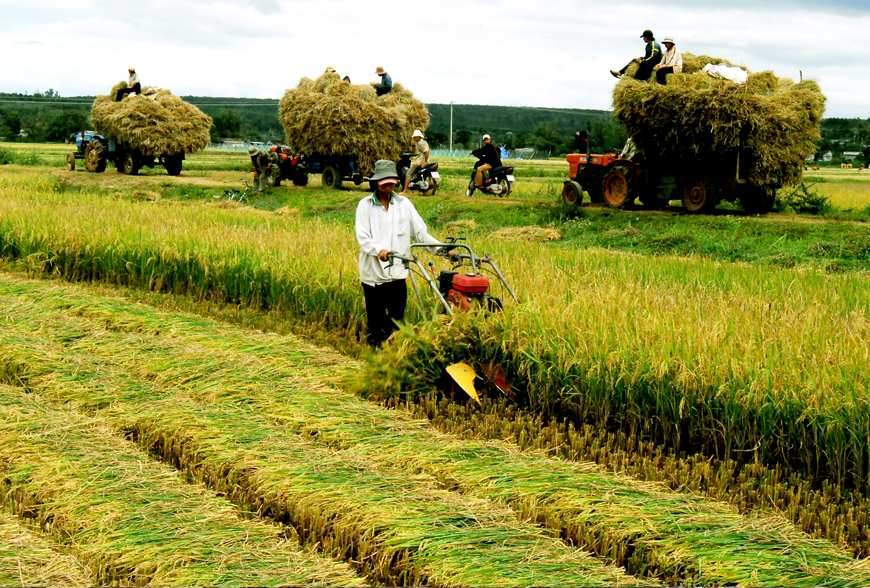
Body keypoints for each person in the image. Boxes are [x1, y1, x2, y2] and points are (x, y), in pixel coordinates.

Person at [355, 159, 440, 347]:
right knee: (376, 322)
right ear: (376, 182)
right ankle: (375, 352)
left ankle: (394, 354)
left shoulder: (404, 204)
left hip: (398, 274)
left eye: (391, 181)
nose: (388, 184)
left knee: (397, 321)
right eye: (384, 181)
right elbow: (363, 238)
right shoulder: (365, 205)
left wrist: (441, 250)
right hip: (374, 276)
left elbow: (420, 234)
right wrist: (380, 251)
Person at [400, 129, 429, 195]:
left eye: (417, 137)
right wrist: (414, 154)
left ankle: (405, 191)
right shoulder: (424, 142)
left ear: (420, 137)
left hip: (419, 162)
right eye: (415, 137)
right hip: (422, 160)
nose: (415, 138)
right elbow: (420, 152)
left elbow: (426, 151)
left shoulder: (420, 143)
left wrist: (425, 162)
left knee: (408, 174)